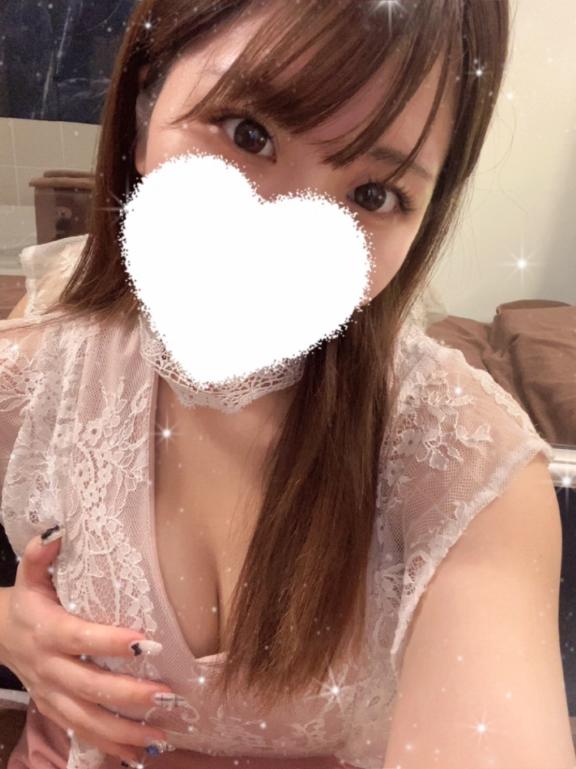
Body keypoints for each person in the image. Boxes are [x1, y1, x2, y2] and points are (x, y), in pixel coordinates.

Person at [0, 1, 574, 768]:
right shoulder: (32, 376)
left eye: (373, 194)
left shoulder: (469, 475)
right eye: (248, 133)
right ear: (143, 111)